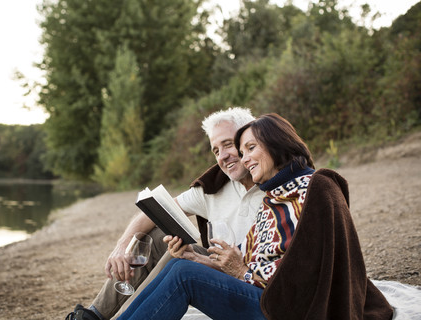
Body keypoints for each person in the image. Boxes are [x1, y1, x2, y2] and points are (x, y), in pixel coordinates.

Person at [116, 113, 393, 320]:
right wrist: (198, 258)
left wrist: (241, 272)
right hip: (266, 296)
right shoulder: (274, 197)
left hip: (287, 309)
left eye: (251, 148)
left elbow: (305, 272)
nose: (243, 157)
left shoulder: (313, 187)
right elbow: (250, 259)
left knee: (185, 276)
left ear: (275, 144)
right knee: (181, 266)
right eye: (242, 150)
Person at [66, 107, 266, 320]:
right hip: (218, 265)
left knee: (182, 264)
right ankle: (92, 316)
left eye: (228, 144)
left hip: (247, 279)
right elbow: (154, 213)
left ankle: (135, 312)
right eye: (216, 150)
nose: (223, 156)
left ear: (249, 140)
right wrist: (122, 246)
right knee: (160, 238)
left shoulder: (276, 186)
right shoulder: (214, 187)